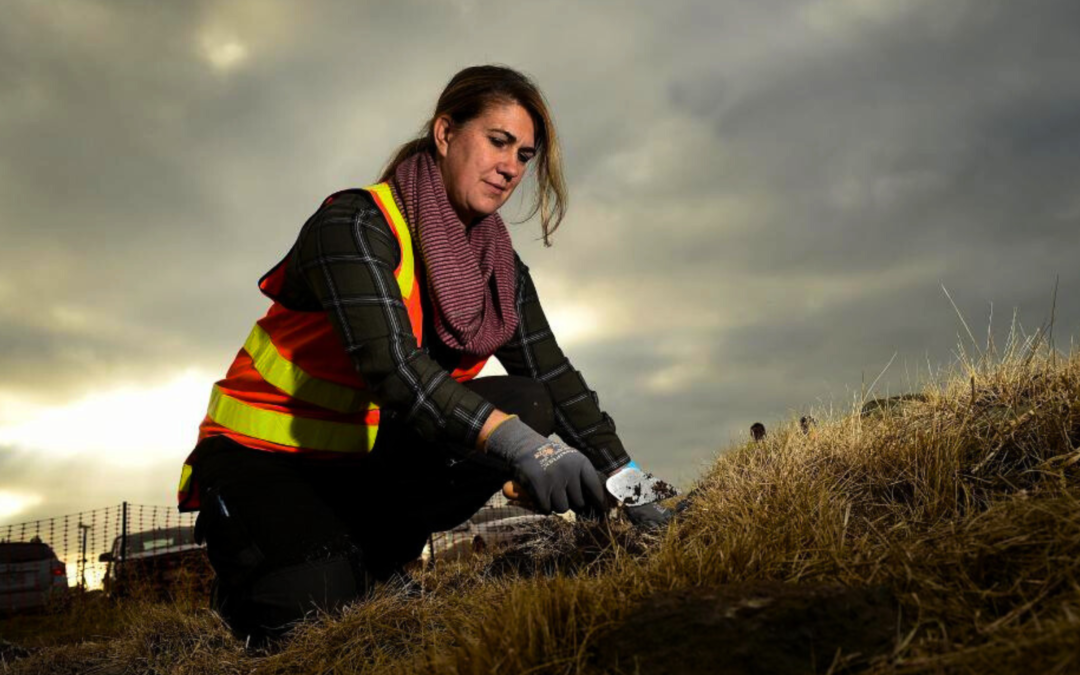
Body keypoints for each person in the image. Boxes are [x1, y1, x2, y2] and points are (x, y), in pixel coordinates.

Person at [175, 65, 673, 644]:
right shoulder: (355, 225)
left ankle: (378, 558)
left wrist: (632, 487)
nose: (512, 167)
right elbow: (396, 371)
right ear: (444, 133)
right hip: (261, 457)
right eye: (498, 141)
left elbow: (555, 378)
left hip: (360, 466)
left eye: (526, 155)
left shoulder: (499, 268)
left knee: (528, 398)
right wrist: (527, 451)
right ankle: (256, 578)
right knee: (313, 622)